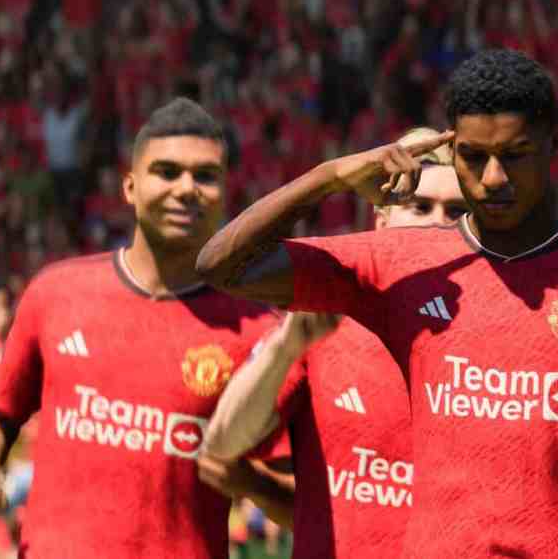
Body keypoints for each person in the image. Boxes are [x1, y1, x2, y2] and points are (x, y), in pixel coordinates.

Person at [196, 49, 558, 558]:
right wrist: (334, 175)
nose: (494, 177)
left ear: (555, 145)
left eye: (515, 154)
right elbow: (221, 264)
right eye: (474, 157)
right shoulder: (403, 264)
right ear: (453, 149)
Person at [0, 97, 289, 558]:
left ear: (225, 193)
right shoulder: (57, 293)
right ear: (130, 187)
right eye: (167, 172)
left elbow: (301, 500)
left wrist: (251, 483)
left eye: (205, 176)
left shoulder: (260, 334)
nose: (186, 188)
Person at [199, 126, 468, 559]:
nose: (438, 223)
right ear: (382, 222)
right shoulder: (324, 325)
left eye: (456, 212)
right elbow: (223, 447)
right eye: (420, 206)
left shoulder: (493, 344)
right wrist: (286, 347)